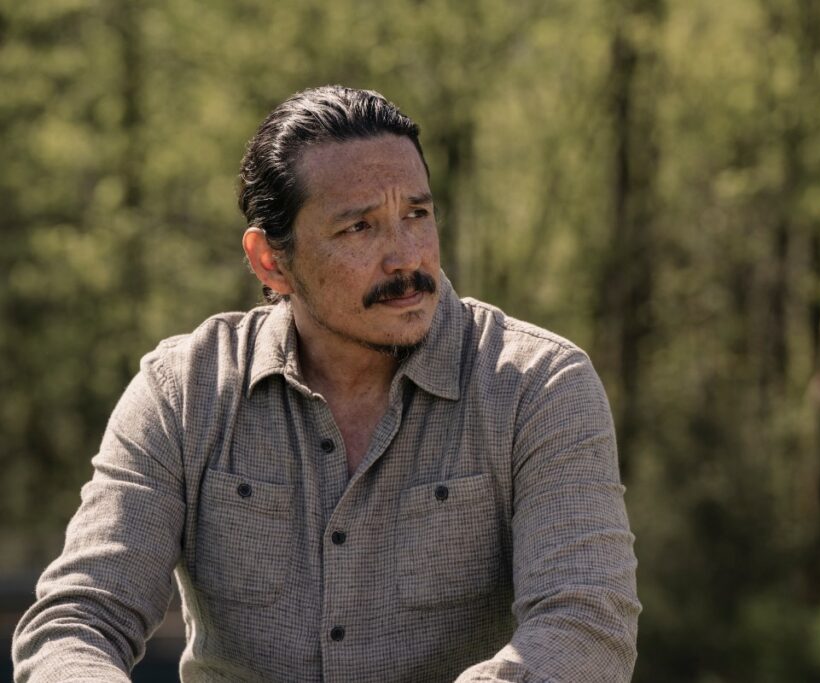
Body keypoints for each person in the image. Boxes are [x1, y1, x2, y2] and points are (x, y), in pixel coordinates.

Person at [12, 85, 640, 682]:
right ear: (271, 261)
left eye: (417, 214)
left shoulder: (537, 387)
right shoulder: (184, 393)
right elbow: (78, 619)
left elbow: (584, 624)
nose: (406, 256)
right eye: (359, 228)